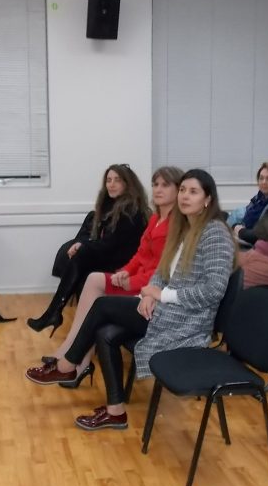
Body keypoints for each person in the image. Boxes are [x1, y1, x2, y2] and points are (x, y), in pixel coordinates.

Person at [30, 169, 237, 431]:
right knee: (106, 332)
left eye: (193, 191)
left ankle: (68, 364)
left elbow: (214, 290)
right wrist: (152, 292)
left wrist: (161, 295)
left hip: (187, 322)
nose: (184, 196)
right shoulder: (186, 228)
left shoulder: (215, 232)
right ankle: (115, 411)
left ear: (208, 199)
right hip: (165, 311)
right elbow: (163, 270)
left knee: (102, 305)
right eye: (183, 190)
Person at [23, 166, 182, 387]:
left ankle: (71, 359)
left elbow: (161, 270)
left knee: (94, 288)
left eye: (165, 185)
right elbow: (140, 255)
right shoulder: (156, 218)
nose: (158, 189)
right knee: (93, 279)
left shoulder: (175, 224)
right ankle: (73, 356)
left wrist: (130, 280)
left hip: (147, 291)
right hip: (135, 279)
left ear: (178, 190)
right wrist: (124, 271)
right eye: (155, 184)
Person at [27, 164, 149, 334]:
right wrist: (83, 245)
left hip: (126, 264)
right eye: (108, 180)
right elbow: (104, 242)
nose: (111, 184)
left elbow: (110, 245)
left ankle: (54, 313)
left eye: (117, 180)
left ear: (128, 184)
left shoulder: (131, 211)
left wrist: (83, 246)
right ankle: (60, 318)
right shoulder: (111, 207)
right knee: (81, 262)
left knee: (81, 256)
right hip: (114, 256)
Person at [228, 161, 268, 236]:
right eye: (261, 178)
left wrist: (241, 231)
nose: (264, 182)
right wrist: (236, 227)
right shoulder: (259, 198)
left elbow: (266, 234)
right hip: (245, 235)